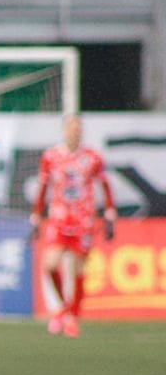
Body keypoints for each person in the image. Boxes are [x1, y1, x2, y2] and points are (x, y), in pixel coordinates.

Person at [30, 114, 117, 338]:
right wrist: (36, 216)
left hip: (83, 220)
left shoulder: (93, 157)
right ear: (64, 130)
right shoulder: (51, 157)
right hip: (59, 218)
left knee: (78, 270)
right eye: (71, 127)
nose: (75, 131)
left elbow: (105, 185)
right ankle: (62, 310)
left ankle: (72, 318)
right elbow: (43, 188)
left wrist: (109, 214)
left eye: (78, 128)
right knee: (50, 264)